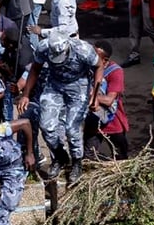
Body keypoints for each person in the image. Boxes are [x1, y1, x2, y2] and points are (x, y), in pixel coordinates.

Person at [17, 27, 104, 184]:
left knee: (72, 129)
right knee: (46, 126)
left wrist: (95, 94)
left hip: (78, 85)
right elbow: (35, 69)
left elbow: (99, 66)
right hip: (55, 85)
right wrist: (26, 95)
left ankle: (77, 162)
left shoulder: (83, 49)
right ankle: (60, 156)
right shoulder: (43, 47)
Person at [84, 40, 129, 160]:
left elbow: (109, 100)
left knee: (120, 157)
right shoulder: (87, 68)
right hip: (93, 120)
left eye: (95, 56)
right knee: (88, 156)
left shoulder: (115, 72)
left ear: (105, 60)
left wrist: (85, 96)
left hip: (112, 121)